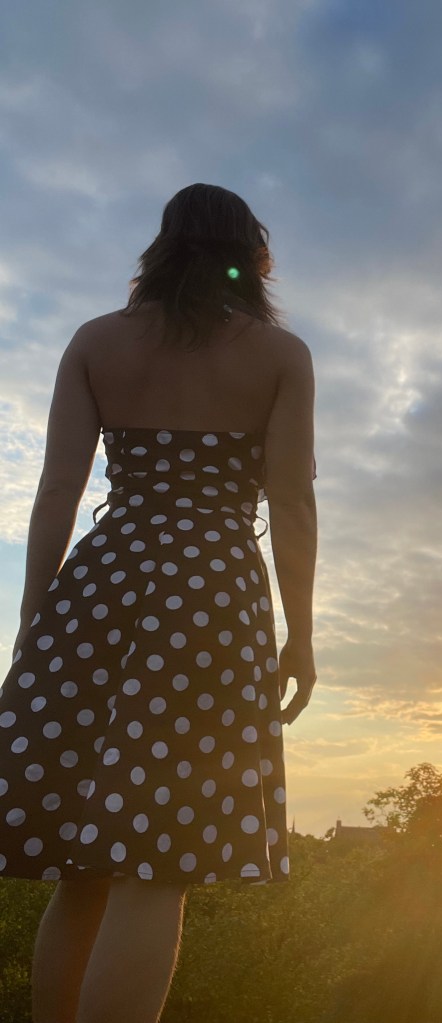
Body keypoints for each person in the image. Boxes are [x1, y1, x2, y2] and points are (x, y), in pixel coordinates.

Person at [0, 183, 318, 1023]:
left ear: (162, 247)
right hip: (213, 592)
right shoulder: (281, 356)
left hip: (101, 583)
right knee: (160, 864)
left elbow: (58, 489)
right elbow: (292, 503)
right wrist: (301, 635)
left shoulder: (95, 341)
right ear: (251, 255)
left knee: (84, 868)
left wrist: (34, 618)